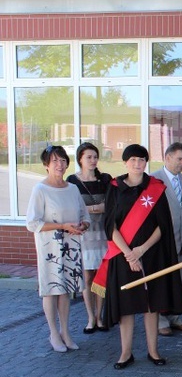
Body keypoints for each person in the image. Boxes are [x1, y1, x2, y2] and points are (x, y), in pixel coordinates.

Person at [92, 144, 182, 369]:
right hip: (123, 256)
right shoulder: (114, 187)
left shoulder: (156, 187)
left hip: (151, 254)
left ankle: (153, 352)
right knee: (126, 306)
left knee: (151, 304)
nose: (137, 164)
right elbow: (110, 225)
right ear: (125, 162)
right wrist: (129, 254)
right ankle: (126, 353)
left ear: (146, 163)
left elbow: (163, 225)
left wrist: (141, 250)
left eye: (142, 160)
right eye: (133, 160)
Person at [26, 145, 90, 353]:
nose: (59, 165)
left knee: (66, 291)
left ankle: (65, 332)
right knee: (51, 289)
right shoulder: (40, 190)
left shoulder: (72, 188)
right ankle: (53, 332)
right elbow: (32, 223)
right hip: (50, 248)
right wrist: (62, 226)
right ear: (46, 165)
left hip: (71, 246)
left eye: (63, 161)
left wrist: (82, 226)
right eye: (55, 161)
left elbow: (84, 215)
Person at [151, 142, 182, 336]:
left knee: (181, 281)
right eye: (179, 159)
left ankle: (175, 317)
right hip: (162, 243)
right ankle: (160, 320)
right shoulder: (153, 180)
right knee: (162, 282)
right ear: (167, 157)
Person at [66, 142, 111, 333]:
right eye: (88, 157)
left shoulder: (106, 179)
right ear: (80, 159)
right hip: (83, 235)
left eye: (95, 157)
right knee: (87, 276)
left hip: (103, 234)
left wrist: (88, 209)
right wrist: (96, 208)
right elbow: (72, 208)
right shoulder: (72, 181)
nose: (93, 160)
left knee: (102, 276)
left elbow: (112, 204)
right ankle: (90, 318)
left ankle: (100, 316)